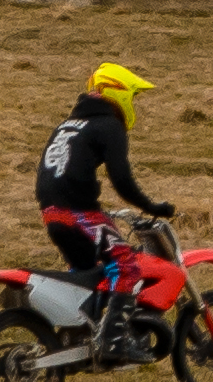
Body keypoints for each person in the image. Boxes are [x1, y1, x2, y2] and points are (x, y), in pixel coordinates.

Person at [32, 57, 174, 278]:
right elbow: (121, 179)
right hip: (79, 214)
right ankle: (118, 315)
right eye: (133, 96)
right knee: (126, 266)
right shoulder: (109, 126)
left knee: (87, 273)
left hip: (51, 214)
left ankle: (84, 312)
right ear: (120, 93)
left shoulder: (67, 126)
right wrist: (152, 207)